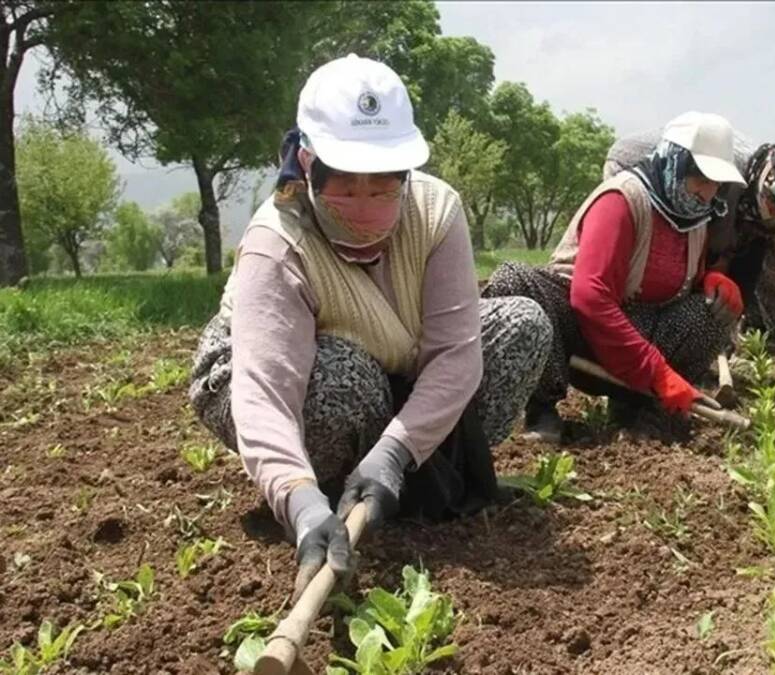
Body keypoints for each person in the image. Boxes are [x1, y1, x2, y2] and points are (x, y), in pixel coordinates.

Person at [187, 54, 553, 599]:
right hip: (271, 373)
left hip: (395, 354)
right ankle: (328, 495)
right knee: (344, 379)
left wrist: (394, 452)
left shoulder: (437, 211)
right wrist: (299, 502)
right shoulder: (278, 242)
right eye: (346, 188)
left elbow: (455, 353)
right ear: (308, 165)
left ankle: (394, 472)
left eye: (382, 189)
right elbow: (266, 393)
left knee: (521, 325)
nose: (365, 208)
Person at [482, 112, 747, 440]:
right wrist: (656, 371)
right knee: (514, 280)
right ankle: (542, 409)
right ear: (675, 164)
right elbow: (590, 298)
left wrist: (708, 282)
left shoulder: (694, 218)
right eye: (701, 179)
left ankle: (645, 412)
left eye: (716, 184)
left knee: (712, 314)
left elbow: (680, 284)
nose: (707, 193)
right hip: (579, 334)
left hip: (641, 333)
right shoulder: (621, 200)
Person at [603, 131, 775, 344]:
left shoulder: (764, 204)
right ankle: (632, 333)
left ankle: (716, 336)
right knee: (662, 262)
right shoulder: (728, 178)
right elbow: (713, 246)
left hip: (700, 189)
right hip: (633, 166)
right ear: (768, 179)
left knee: (747, 259)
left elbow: (773, 254)